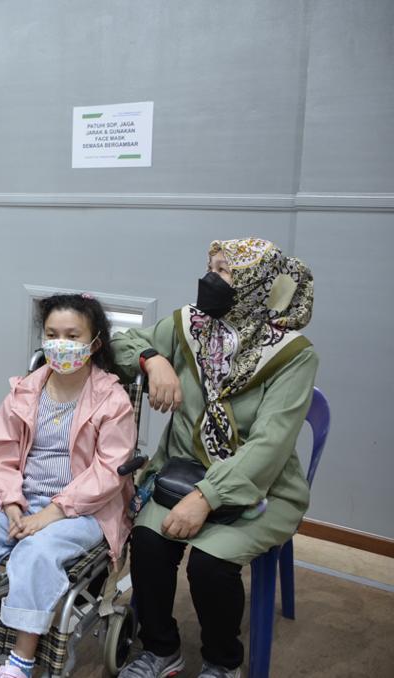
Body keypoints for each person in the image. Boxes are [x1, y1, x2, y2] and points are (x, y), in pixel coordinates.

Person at [112, 238, 318, 678]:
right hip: (182, 472)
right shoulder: (190, 325)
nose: (211, 279)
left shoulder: (293, 355)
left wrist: (207, 496)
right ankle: (162, 650)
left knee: (209, 564)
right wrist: (152, 359)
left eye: (225, 271)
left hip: (262, 485)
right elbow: (120, 344)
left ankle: (222, 663)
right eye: (211, 267)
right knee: (148, 542)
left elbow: (270, 445)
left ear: (257, 284)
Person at [0, 294, 136, 678]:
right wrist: (11, 503)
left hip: (83, 510)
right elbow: (0, 453)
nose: (61, 344)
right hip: (21, 498)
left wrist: (51, 513)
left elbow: (110, 471)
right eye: (52, 334)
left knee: (35, 552)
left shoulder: (112, 399)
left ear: (95, 343)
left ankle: (20, 662)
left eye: (72, 336)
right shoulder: (25, 391)